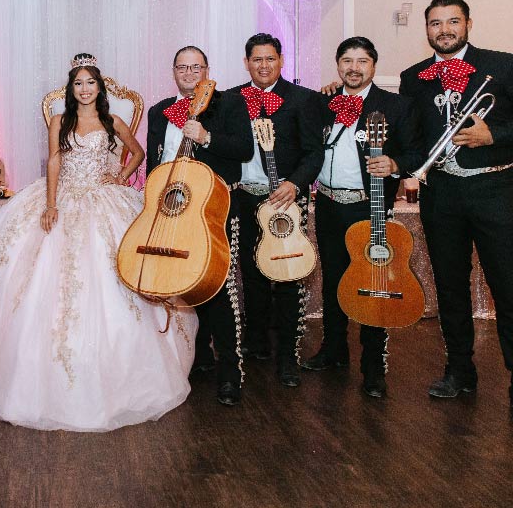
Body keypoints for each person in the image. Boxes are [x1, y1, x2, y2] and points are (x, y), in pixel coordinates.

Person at [0, 54, 197, 431]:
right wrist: (51, 203)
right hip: (64, 195)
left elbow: (137, 152)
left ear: (99, 88)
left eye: (91, 82)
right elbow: (54, 162)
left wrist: (120, 176)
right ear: (71, 89)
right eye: (78, 83)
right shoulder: (61, 120)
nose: (85, 89)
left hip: (104, 198)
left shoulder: (111, 121)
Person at [399, 0, 513, 406]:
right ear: (426, 29)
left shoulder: (503, 65)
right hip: (441, 194)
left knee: (508, 285)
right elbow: (410, 136)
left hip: (494, 190)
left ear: (468, 23)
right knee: (450, 287)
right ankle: (460, 371)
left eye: (452, 21)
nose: (444, 29)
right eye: (435, 23)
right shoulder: (413, 77)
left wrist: (494, 136)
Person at [302, 37, 421, 397]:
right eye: (346, 60)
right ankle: (334, 350)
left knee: (374, 282)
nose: (354, 67)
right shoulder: (321, 102)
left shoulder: (395, 105)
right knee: (335, 278)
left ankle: (373, 367)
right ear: (337, 65)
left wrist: (397, 164)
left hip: (367, 206)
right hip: (326, 203)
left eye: (362, 61)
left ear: (373, 65)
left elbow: (418, 150)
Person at [146, 46, 253, 406]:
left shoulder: (230, 103)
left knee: (220, 289)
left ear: (207, 69)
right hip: (173, 209)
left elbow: (244, 150)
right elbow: (155, 164)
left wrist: (206, 136)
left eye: (196, 67)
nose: (189, 72)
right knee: (177, 283)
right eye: (182, 67)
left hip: (215, 210)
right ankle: (196, 360)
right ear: (173, 70)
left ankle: (230, 373)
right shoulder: (159, 111)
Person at [225, 34, 323, 388]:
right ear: (246, 62)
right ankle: (255, 345)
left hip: (284, 200)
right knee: (249, 271)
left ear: (281, 60)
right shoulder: (230, 98)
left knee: (286, 275)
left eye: (269, 59)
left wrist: (295, 184)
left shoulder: (304, 99)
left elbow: (314, 152)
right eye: (256, 59)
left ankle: (287, 357)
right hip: (244, 198)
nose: (263, 65)